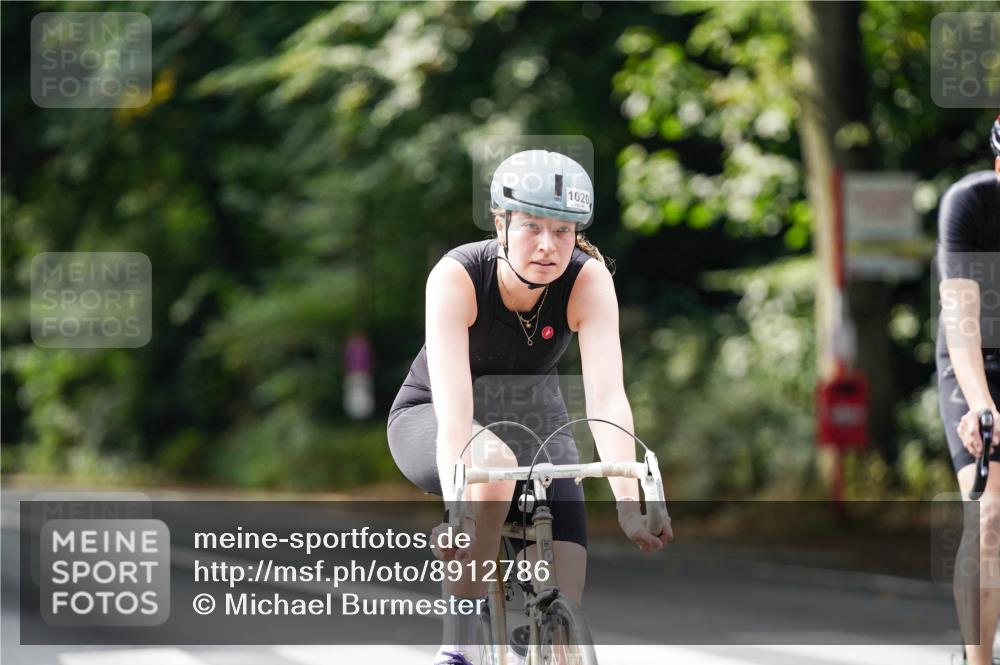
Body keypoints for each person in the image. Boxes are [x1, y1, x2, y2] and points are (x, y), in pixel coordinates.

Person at [387, 149, 673, 665]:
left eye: (563, 230)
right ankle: (459, 645)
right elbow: (455, 410)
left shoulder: (588, 280)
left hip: (535, 422)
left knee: (566, 594)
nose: (548, 245)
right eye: (532, 227)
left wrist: (630, 506)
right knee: (492, 470)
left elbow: (608, 398)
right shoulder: (457, 276)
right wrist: (459, 511)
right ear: (501, 224)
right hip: (435, 414)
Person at [937, 114, 1000, 665]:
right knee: (990, 513)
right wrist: (981, 404)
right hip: (977, 361)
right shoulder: (971, 203)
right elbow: (961, 318)